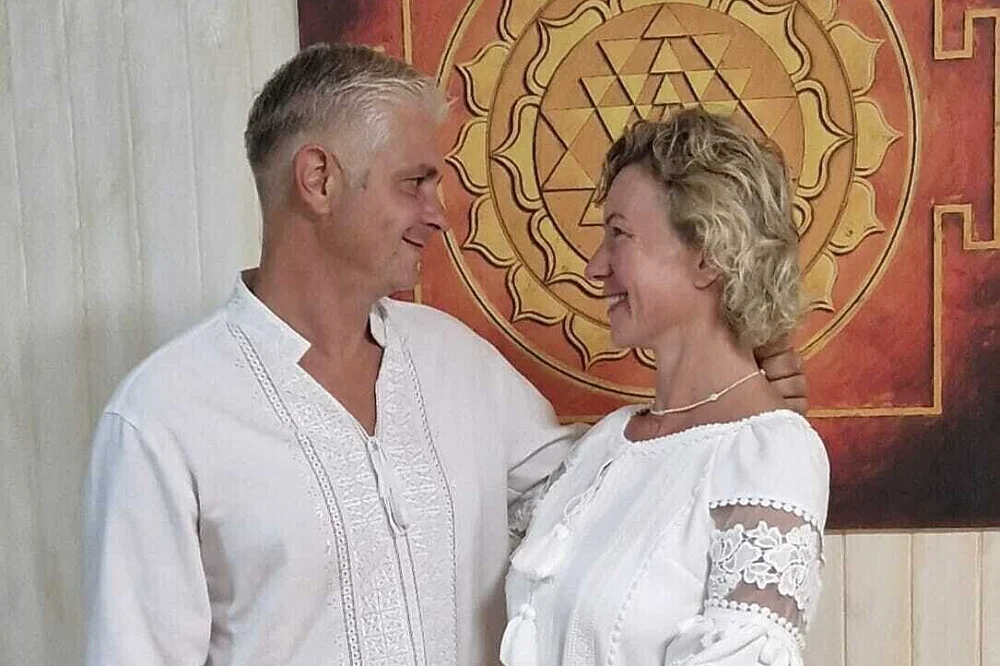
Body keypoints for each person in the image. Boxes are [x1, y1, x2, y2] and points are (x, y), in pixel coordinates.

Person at [83, 45, 808, 666]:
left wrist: (746, 421)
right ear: (319, 179)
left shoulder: (456, 361)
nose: (439, 213)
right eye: (415, 183)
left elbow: (609, 503)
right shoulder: (164, 418)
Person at [501, 110, 829, 666]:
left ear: (708, 255)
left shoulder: (770, 454)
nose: (594, 267)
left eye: (619, 235)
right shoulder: (606, 443)